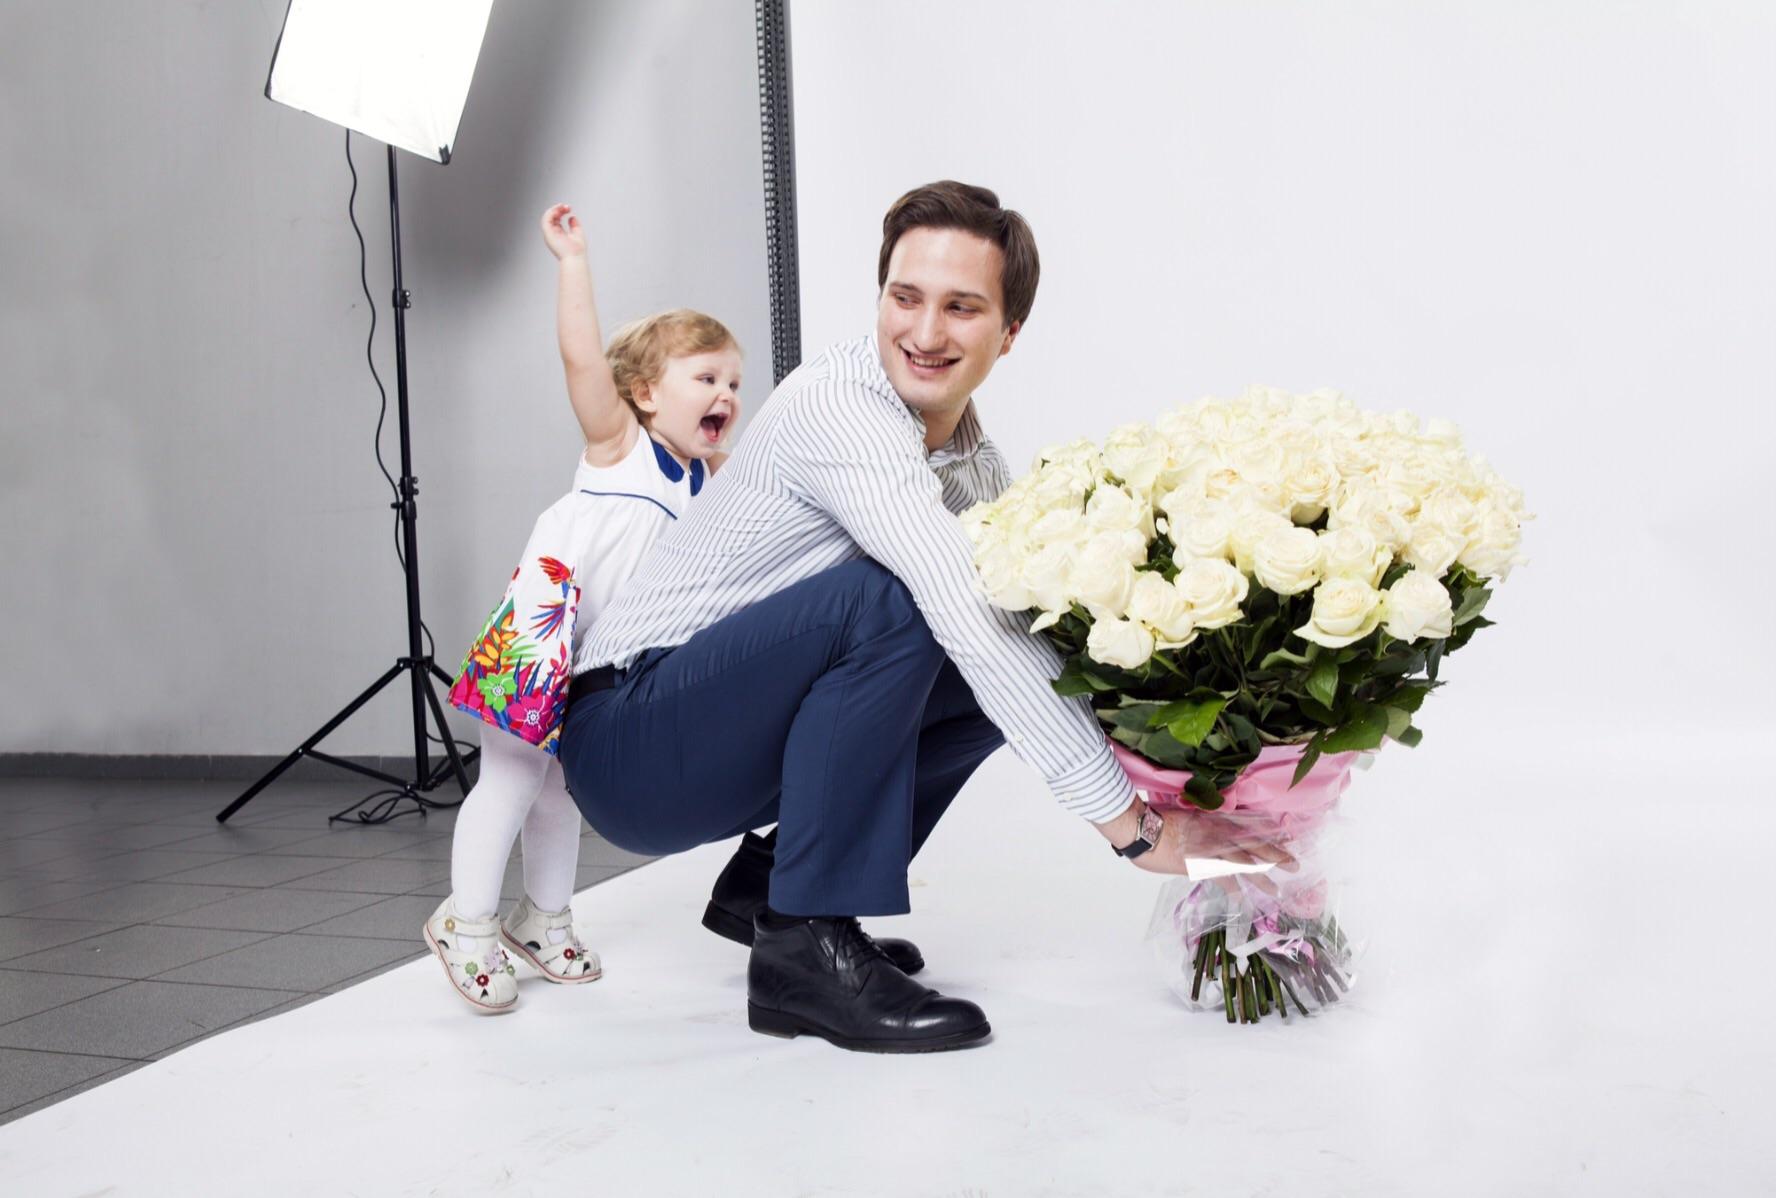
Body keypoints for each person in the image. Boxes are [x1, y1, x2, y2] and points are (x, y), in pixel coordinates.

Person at [559, 180, 1280, 1053]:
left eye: (961, 307)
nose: (926, 332)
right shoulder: (840, 410)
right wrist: (1134, 832)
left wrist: (1200, 778)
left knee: (1006, 649)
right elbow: (960, 609)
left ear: (1009, 333)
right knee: (905, 600)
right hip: (629, 742)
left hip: (705, 736)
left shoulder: (973, 462)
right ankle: (805, 944)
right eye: (905, 298)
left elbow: (1027, 645)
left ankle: (775, 894)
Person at [422, 202, 742, 1014]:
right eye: (706, 378)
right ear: (644, 393)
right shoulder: (619, 443)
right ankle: (467, 923)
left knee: (562, 792)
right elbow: (580, 359)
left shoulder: (700, 479)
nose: (726, 394)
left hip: (602, 657)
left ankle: (545, 918)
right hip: (543, 638)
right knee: (509, 779)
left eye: (734, 383)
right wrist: (572, 262)